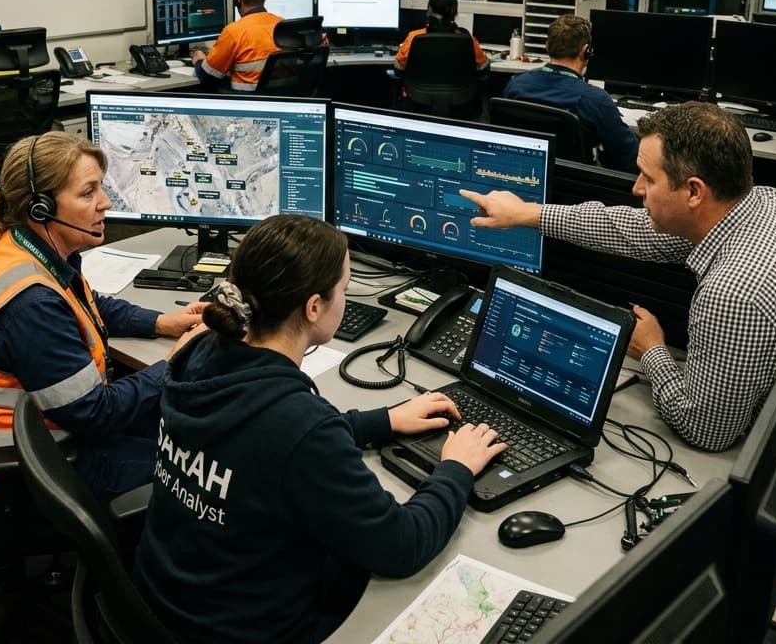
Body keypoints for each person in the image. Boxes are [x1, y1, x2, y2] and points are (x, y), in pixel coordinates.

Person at [133, 214, 504, 644]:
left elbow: (260, 445)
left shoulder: (201, 352)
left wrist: (380, 420)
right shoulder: (298, 426)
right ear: (314, 307)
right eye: (344, 289)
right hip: (245, 628)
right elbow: (403, 546)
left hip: (169, 600)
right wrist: (456, 469)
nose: (344, 298)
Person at [460, 101, 776, 493]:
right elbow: (634, 229)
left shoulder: (734, 292)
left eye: (647, 179)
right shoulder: (769, 202)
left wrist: (653, 349)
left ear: (693, 191)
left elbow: (705, 430)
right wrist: (529, 214)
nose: (636, 188)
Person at [0, 131, 206, 514]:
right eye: (88, 193)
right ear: (42, 209)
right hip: (27, 476)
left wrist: (162, 322)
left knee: (192, 428)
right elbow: (96, 413)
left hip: (46, 442)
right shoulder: (31, 306)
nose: (106, 203)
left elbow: (85, 304)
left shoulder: (24, 250)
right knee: (206, 471)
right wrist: (175, 362)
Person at [503, 14, 638, 171]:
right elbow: (629, 158)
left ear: (547, 46)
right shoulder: (595, 100)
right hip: (576, 187)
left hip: (522, 174)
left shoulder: (516, 85)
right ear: (586, 51)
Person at [191, 0, 282, 91]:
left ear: (238, 0)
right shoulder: (282, 24)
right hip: (282, 97)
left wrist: (199, 61)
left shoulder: (234, 31)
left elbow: (208, 76)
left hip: (246, 99)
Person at [394, 0, 489, 74]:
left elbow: (398, 68)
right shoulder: (466, 39)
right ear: (454, 13)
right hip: (459, 93)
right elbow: (483, 67)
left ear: (429, 10)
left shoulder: (414, 37)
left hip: (417, 93)